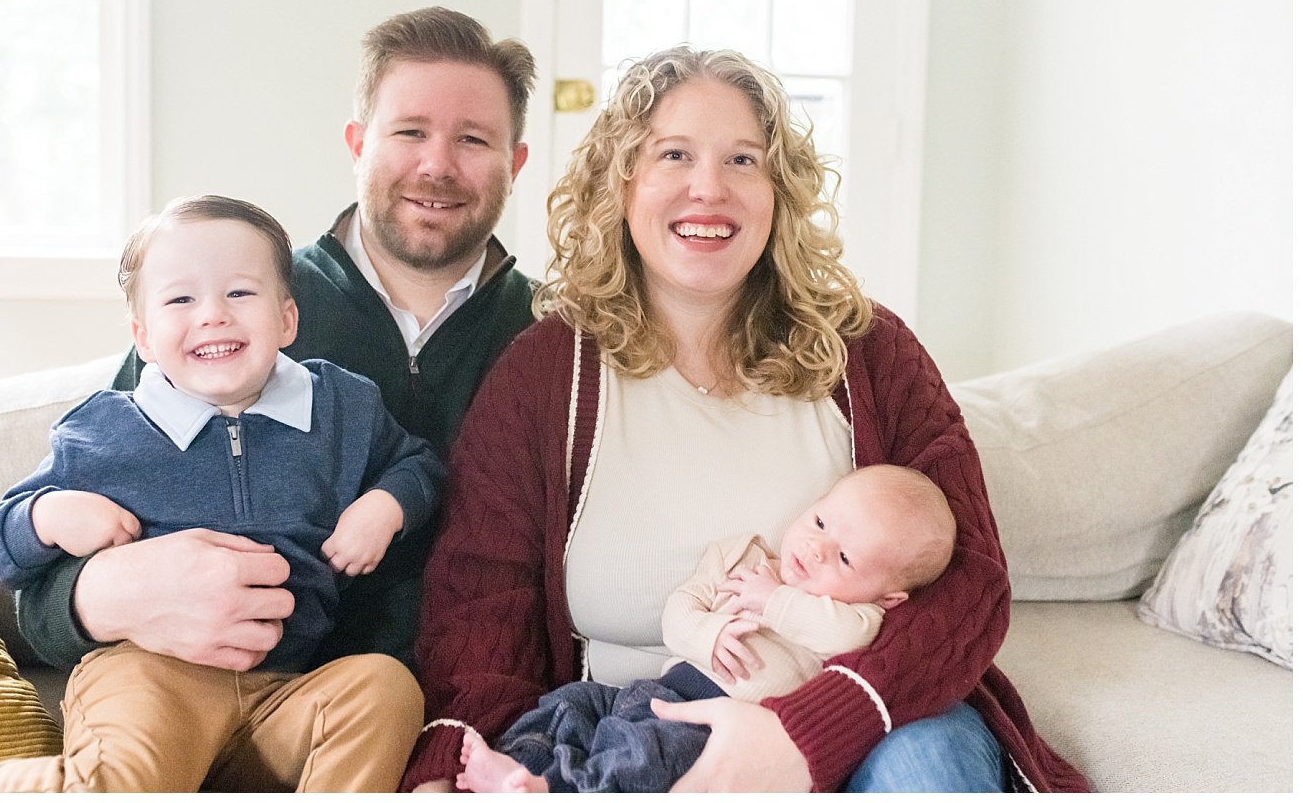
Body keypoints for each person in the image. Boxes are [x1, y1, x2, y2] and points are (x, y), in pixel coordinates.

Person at [403, 46, 1088, 792]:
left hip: (869, 719)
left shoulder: (870, 350)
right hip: (626, 740)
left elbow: (971, 582)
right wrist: (455, 759)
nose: (709, 188)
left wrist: (806, 733)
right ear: (621, 182)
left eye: (742, 160)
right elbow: (479, 608)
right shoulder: (545, 372)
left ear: (779, 191)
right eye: (673, 154)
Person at [13, 7, 539, 678]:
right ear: (357, 144)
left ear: (515, 162)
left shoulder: (554, 338)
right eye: (410, 131)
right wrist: (107, 597)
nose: (436, 164)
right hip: (217, 689)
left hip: (463, 701)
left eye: (472, 139)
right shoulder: (231, 311)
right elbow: (37, 599)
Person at [0, 196, 444, 792]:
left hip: (285, 689)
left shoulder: (342, 407)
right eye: (180, 300)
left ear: (287, 320)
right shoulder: (105, 430)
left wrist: (385, 506)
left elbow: (418, 464)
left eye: (239, 292)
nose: (213, 315)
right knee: (124, 778)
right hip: (147, 674)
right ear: (142, 337)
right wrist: (50, 515)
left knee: (384, 686)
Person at [456, 464, 956, 793]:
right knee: (570, 703)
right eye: (821, 522)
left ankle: (555, 789)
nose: (817, 548)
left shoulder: (857, 618)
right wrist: (707, 634)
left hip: (715, 729)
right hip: (653, 691)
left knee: (644, 759)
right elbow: (680, 612)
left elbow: (842, 637)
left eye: (845, 558)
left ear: (887, 597)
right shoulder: (741, 557)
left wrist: (775, 600)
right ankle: (520, 765)